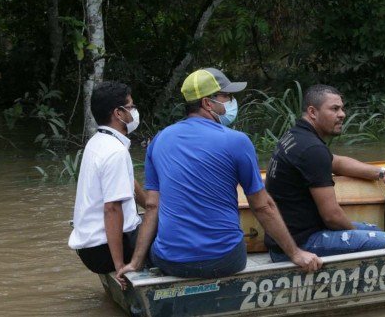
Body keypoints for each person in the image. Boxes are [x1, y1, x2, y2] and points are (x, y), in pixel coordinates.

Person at [117, 68, 321, 284]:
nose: (233, 102)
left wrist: (136, 262)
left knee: (159, 244)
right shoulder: (237, 141)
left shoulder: (159, 140)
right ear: (207, 103)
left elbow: (151, 206)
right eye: (227, 97)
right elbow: (263, 207)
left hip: (170, 261)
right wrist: (295, 253)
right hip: (224, 261)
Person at [264, 84, 385, 262]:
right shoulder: (312, 149)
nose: (342, 114)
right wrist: (354, 237)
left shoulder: (296, 135)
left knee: (374, 230)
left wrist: (382, 173)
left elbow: (337, 162)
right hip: (298, 246)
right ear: (313, 112)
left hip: (287, 239)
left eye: (342, 108)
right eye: (335, 109)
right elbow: (332, 217)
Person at [68, 81, 146, 282]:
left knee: (154, 218)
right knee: (173, 230)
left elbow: (128, 181)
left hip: (90, 248)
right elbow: (112, 208)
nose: (135, 111)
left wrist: (151, 205)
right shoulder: (115, 152)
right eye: (131, 107)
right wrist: (119, 265)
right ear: (119, 114)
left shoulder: (98, 141)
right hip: (103, 252)